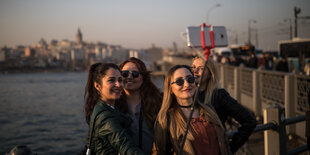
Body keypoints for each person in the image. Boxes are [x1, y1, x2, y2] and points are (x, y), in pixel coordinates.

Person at [153, 65, 232, 155]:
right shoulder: (166, 119)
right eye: (179, 82)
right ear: (170, 88)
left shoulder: (209, 110)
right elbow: (159, 152)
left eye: (190, 79)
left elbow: (224, 143)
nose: (187, 84)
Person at [191, 57, 256, 154]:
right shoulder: (187, 95)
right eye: (193, 67)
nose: (195, 71)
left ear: (210, 74)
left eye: (201, 68)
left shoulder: (219, 95)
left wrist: (230, 148)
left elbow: (249, 120)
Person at [84, 62, 143, 155]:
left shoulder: (108, 107)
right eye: (111, 80)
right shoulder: (105, 117)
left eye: (120, 80)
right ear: (97, 86)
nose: (118, 85)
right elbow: (125, 146)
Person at [117, 57, 162, 154]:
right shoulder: (114, 105)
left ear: (143, 77)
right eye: (124, 74)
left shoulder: (158, 102)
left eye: (135, 74)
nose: (129, 77)